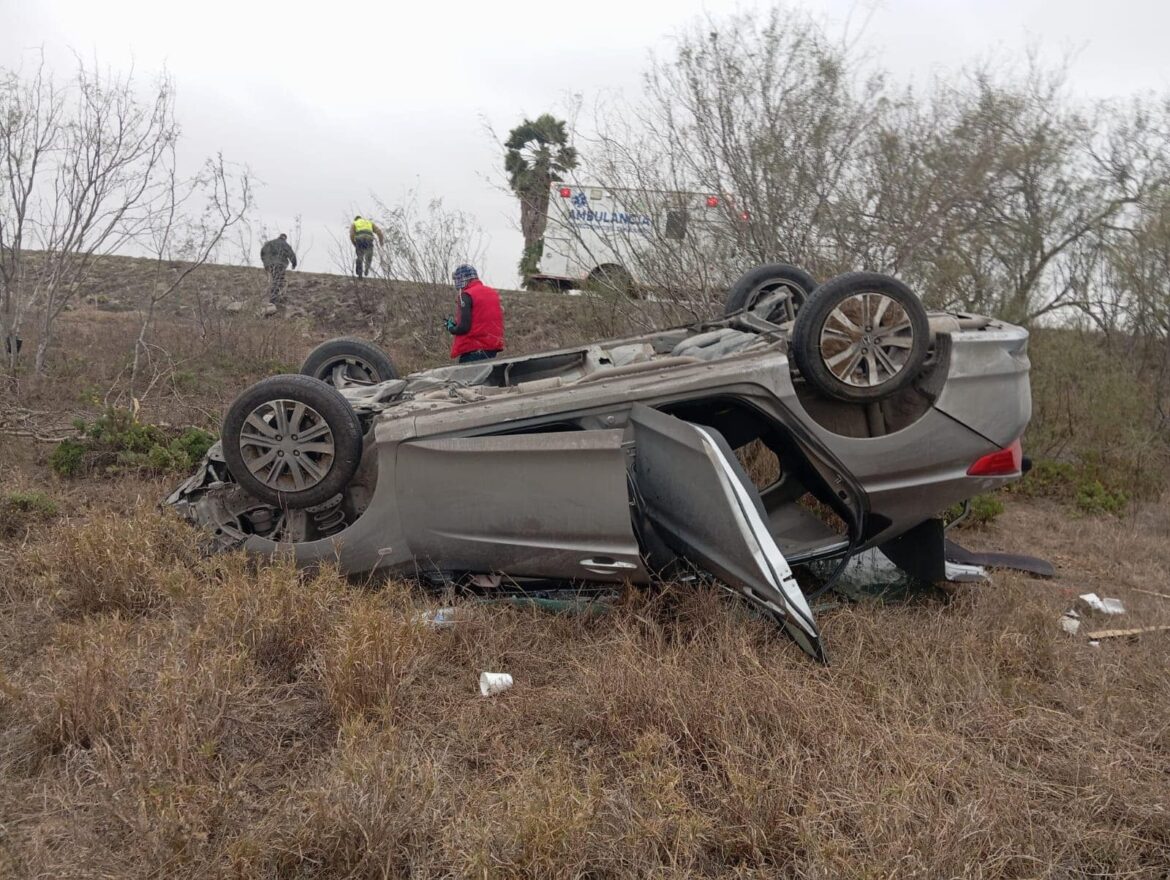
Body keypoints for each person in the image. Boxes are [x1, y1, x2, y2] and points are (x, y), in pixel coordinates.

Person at [445, 264, 505, 363]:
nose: (456, 282)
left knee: (465, 377)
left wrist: (450, 327)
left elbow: (464, 328)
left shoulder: (466, 295)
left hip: (473, 348)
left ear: (464, 278)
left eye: (457, 279)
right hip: (492, 347)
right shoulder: (493, 293)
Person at [259, 233, 297, 303]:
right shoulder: (285, 245)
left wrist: (265, 263)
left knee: (272, 280)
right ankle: (273, 300)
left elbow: (262, 252)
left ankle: (266, 297)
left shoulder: (269, 243)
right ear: (285, 238)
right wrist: (294, 264)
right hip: (279, 264)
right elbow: (291, 255)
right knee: (278, 280)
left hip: (268, 265)